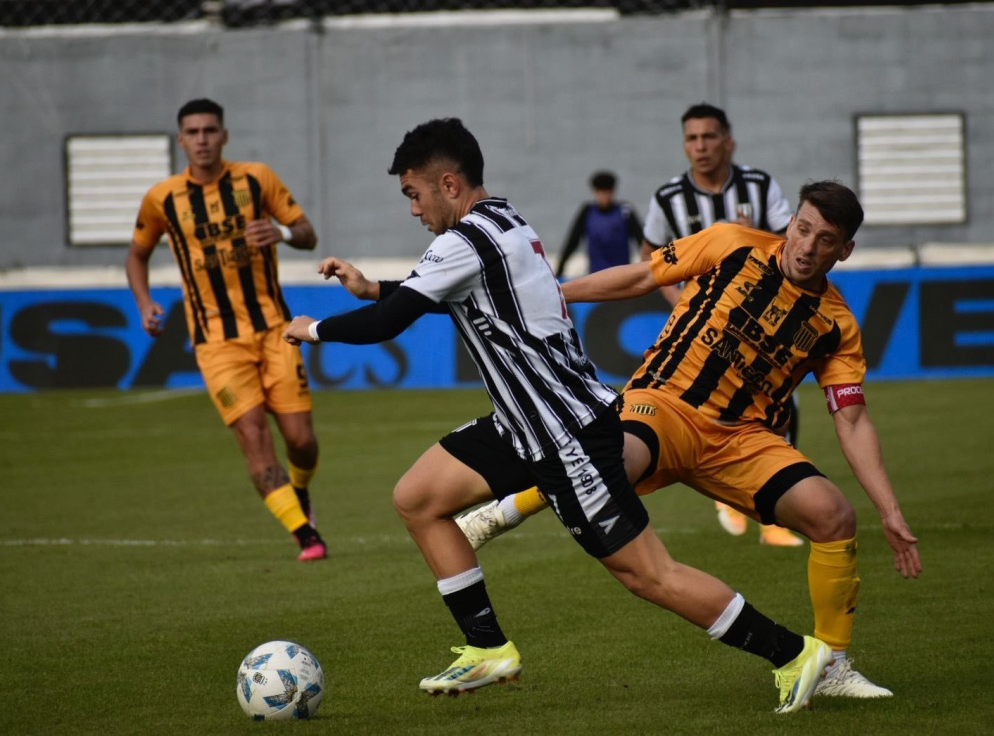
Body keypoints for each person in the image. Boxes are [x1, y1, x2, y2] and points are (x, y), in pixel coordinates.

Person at [283, 117, 832, 713]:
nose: (412, 210)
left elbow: (393, 324)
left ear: (446, 183)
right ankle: (487, 648)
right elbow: (459, 295)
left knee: (649, 575)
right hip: (525, 425)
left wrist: (313, 328)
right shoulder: (507, 222)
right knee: (418, 498)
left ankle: (793, 654)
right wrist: (376, 287)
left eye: (412, 195)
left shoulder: (462, 241)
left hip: (566, 436)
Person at [456, 180, 923, 699]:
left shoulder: (836, 325)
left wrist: (889, 510)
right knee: (610, 464)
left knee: (834, 516)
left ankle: (831, 666)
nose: (808, 247)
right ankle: (504, 511)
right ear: (790, 223)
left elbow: (852, 421)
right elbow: (641, 276)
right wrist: (551, 294)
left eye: (826, 239)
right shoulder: (731, 243)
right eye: (803, 228)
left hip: (743, 441)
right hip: (666, 404)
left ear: (845, 250)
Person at [126, 98, 327, 562]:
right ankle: (305, 535)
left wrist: (282, 233)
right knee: (253, 435)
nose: (202, 139)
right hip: (215, 342)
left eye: (210, 130)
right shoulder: (162, 198)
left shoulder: (257, 178)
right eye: (192, 132)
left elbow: (307, 233)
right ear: (180, 140)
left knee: (301, 440)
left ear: (224, 136)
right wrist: (143, 303)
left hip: (276, 330)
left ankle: (300, 493)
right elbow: (136, 253)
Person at [647, 102, 802, 545]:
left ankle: (771, 515)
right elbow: (651, 255)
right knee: (688, 406)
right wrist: (680, 304)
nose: (701, 146)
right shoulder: (668, 198)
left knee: (780, 408)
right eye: (692, 138)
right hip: (699, 328)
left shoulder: (758, 185)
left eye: (709, 136)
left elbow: (785, 246)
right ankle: (727, 492)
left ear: (728, 141)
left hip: (756, 325)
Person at [554, 170, 643, 279]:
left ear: (613, 192)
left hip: (622, 277)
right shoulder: (587, 212)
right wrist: (559, 270)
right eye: (601, 192)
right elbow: (572, 242)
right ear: (595, 192)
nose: (604, 196)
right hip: (596, 276)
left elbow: (642, 242)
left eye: (607, 192)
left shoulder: (625, 211)